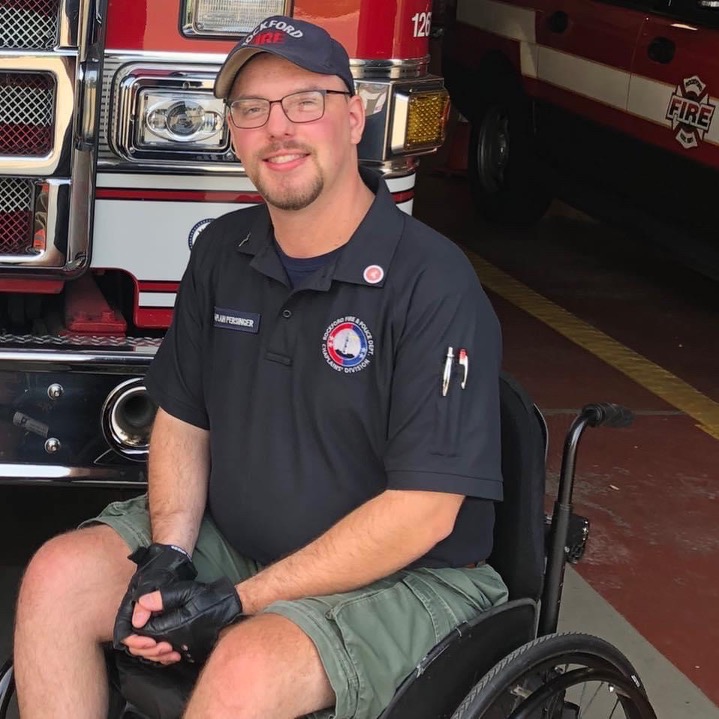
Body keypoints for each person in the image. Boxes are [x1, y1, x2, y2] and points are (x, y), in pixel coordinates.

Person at [13, 15, 508, 719]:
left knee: (246, 667)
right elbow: (184, 418)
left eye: (304, 101)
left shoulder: (431, 281)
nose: (278, 128)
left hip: (407, 579)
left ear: (353, 114)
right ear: (235, 131)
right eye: (251, 108)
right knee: (58, 577)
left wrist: (238, 601)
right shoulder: (222, 249)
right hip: (238, 549)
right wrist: (169, 555)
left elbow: (423, 514)